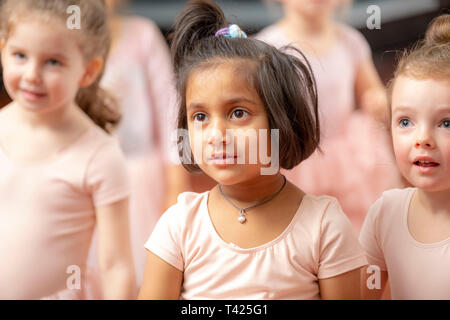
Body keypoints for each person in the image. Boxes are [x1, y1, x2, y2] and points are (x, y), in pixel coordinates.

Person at [138, 0, 367, 300]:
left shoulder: (325, 227)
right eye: (200, 117)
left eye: (238, 113)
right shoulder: (178, 226)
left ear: (281, 120)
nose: (216, 135)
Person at [0, 0, 136, 299]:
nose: (32, 74)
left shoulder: (99, 156)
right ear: (3, 50)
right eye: (20, 55)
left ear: (88, 71)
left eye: (53, 62)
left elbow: (116, 266)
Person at [255, 0, 403, 233]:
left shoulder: (349, 40)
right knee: (302, 226)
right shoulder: (267, 46)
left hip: (347, 156)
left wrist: (377, 101)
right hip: (297, 159)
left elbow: (370, 89)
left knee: (353, 224)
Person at [85, 0, 188, 288]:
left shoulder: (142, 35)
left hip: (142, 183)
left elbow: (171, 115)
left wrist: (175, 191)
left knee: (142, 266)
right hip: (88, 182)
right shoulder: (68, 41)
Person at [359, 14, 450, 299]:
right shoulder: (385, 213)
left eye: (446, 123)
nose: (422, 139)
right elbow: (365, 295)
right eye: (405, 122)